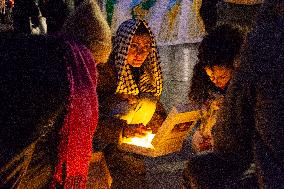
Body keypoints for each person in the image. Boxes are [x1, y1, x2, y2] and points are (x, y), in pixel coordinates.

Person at [0, 0, 112, 188]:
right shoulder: (62, 73)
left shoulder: (55, 54)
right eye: (97, 64)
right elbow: (18, 142)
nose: (96, 73)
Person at [183, 0, 284, 188]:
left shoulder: (265, 42)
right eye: (211, 75)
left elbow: (234, 139)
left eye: (220, 75)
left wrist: (219, 139)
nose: (216, 79)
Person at [93, 18, 166, 151]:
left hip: (127, 129)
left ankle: (129, 146)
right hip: (102, 132)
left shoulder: (145, 72)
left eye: (146, 47)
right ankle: (109, 151)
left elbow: (155, 111)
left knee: (148, 101)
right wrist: (117, 98)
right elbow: (89, 114)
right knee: (124, 107)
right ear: (123, 45)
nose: (140, 53)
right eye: (133, 46)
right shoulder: (104, 69)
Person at [184, 24, 244, 153]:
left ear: (236, 65)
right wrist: (199, 134)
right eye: (211, 76)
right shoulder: (201, 81)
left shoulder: (248, 84)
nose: (216, 82)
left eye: (222, 76)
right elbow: (200, 111)